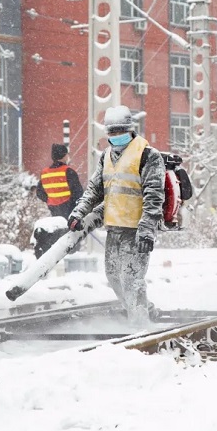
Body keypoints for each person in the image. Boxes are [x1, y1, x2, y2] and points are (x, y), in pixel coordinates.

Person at [67, 105, 165, 325]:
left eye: (119, 131)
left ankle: (141, 328)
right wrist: (78, 212)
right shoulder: (107, 156)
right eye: (111, 132)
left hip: (137, 230)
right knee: (114, 278)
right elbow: (94, 189)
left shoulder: (148, 155)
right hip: (114, 228)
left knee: (131, 279)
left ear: (130, 129)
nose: (115, 136)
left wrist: (147, 228)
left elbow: (154, 196)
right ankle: (145, 310)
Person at [36, 143, 84, 220]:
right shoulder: (68, 171)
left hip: (54, 211)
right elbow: (78, 193)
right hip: (69, 211)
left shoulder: (45, 173)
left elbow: (39, 192)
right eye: (67, 154)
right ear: (64, 156)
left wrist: (50, 200)